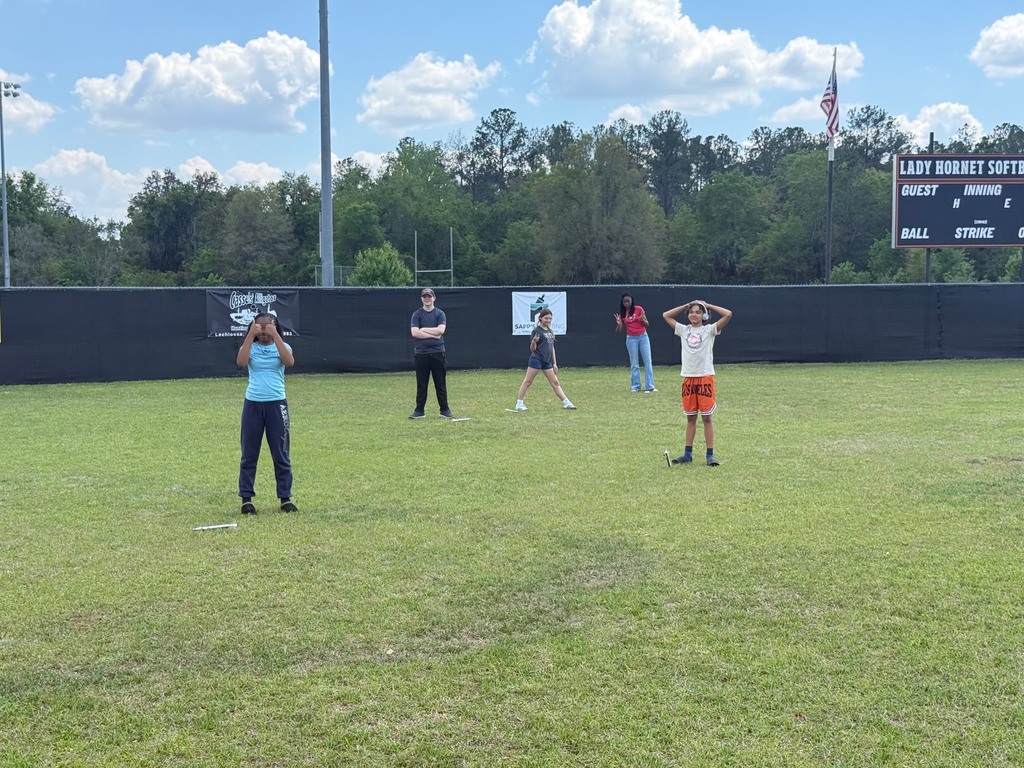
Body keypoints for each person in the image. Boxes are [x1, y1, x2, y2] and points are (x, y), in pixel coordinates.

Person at [236, 313, 297, 514]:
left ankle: (285, 498)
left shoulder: (283, 347)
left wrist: (277, 337)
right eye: (259, 328)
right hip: (253, 404)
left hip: (276, 404)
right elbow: (241, 362)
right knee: (249, 453)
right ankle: (247, 499)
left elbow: (289, 362)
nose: (263, 332)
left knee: (281, 452)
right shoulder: (250, 347)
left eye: (267, 328)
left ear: (275, 327)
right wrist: (249, 336)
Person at [662, 300, 733, 466]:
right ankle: (687, 453)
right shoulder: (683, 330)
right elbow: (666, 315)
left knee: (707, 417)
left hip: (705, 376)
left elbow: (728, 314)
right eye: (691, 312)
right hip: (688, 377)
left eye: (698, 312)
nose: (694, 314)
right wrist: (685, 306)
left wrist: (707, 305)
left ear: (704, 315)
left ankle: (710, 455)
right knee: (691, 417)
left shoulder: (709, 330)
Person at [513, 308, 576, 411]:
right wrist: (534, 341)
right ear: (540, 318)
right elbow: (533, 349)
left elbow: (552, 348)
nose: (548, 320)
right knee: (528, 381)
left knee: (555, 382)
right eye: (546, 318)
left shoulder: (550, 331)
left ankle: (567, 403)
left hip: (547, 362)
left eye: (550, 318)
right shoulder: (536, 331)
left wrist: (554, 363)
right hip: (536, 359)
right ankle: (519, 404)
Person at [410, 287, 453, 419]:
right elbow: (415, 333)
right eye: (425, 297)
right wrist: (432, 334)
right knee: (422, 384)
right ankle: (419, 411)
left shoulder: (440, 314)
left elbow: (441, 331)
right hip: (421, 354)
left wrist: (424, 330)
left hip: (437, 353)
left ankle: (444, 410)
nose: (427, 299)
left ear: (434, 298)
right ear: (421, 299)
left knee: (440, 383)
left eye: (429, 296)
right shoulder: (416, 314)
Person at [614, 292, 657, 393]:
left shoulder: (639, 309)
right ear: (622, 303)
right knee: (634, 363)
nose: (627, 303)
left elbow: (647, 323)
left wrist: (642, 320)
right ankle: (636, 386)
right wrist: (619, 324)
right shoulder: (623, 314)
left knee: (648, 361)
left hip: (643, 337)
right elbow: (618, 331)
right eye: (624, 302)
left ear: (632, 301)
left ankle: (650, 386)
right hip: (631, 339)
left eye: (628, 301)